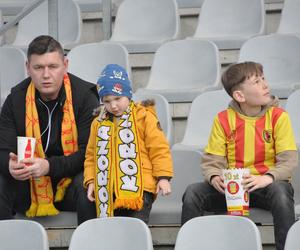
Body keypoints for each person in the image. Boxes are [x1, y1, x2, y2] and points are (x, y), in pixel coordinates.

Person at [181, 61, 298, 250]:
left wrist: (266, 178)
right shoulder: (223, 119)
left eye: (264, 79)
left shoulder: (279, 116)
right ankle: (188, 245)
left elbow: (288, 160)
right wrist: (214, 176)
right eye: (257, 82)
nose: (265, 85)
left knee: (281, 192)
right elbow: (212, 160)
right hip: (234, 189)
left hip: (267, 185)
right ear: (239, 95)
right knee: (193, 192)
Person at [0, 35, 99, 224]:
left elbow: (89, 153)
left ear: (65, 65)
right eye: (38, 68)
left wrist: (49, 166)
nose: (46, 75)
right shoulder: (16, 99)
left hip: (68, 182)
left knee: (88, 183)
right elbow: (3, 148)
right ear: (28, 67)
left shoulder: (85, 96)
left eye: (52, 67)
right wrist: (9, 165)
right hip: (28, 184)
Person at [84, 64, 173, 224]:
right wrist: (91, 181)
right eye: (107, 101)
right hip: (108, 189)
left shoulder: (144, 117)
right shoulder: (98, 123)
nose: (113, 106)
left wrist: (163, 177)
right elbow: (91, 156)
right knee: (113, 232)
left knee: (135, 229)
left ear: (128, 94)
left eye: (118, 98)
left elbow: (159, 149)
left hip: (140, 188)